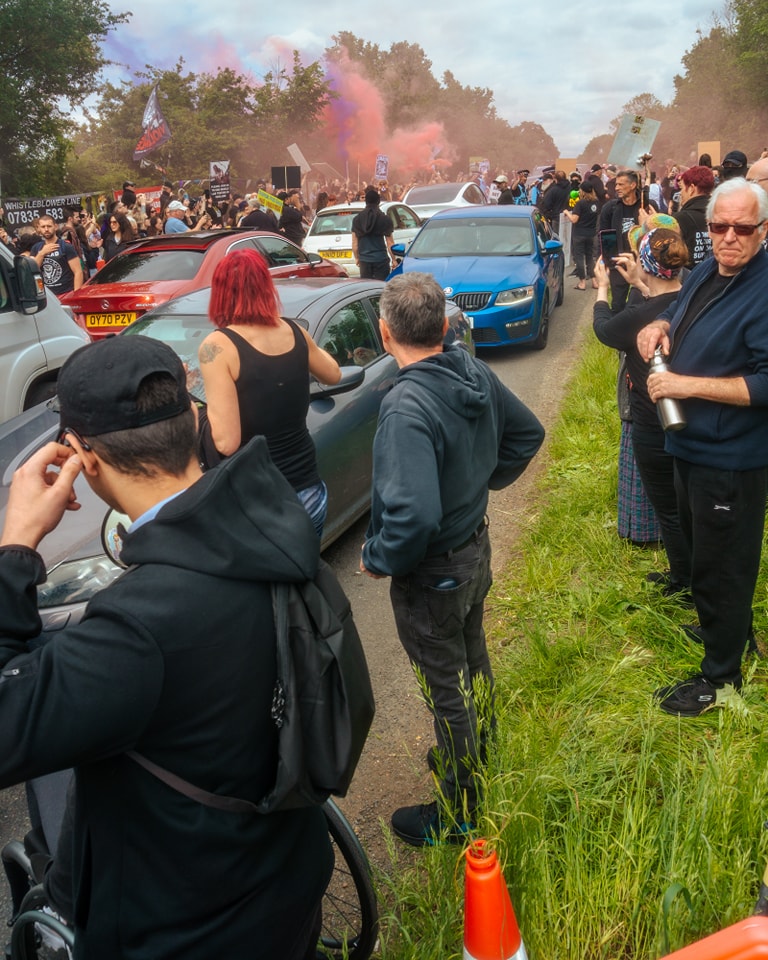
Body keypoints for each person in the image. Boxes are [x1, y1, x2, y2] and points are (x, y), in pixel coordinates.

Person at [0, 335, 333, 959]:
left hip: (188, 930)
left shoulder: (137, 626)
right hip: (288, 886)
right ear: (198, 420)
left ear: (82, 459)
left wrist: (15, 551)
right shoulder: (275, 523)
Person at [359, 272, 544, 846]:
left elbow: (411, 517)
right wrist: (476, 487)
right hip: (474, 550)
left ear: (385, 334)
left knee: (447, 689)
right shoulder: (474, 370)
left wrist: (379, 558)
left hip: (434, 572)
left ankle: (461, 809)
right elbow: (526, 434)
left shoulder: (406, 408)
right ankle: (482, 758)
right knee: (472, 657)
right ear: (444, 326)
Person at [637, 178, 768, 716]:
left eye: (743, 228)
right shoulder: (710, 271)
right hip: (692, 447)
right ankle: (728, 633)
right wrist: (659, 324)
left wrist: (686, 386)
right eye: (719, 226)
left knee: (723, 565)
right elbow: (682, 313)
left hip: (731, 458)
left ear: (763, 230)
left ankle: (722, 682)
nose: (729, 237)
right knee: (708, 558)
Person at [198, 248, 341, 538]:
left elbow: (226, 442)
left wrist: (195, 414)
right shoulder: (294, 331)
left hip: (256, 499)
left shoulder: (217, 346)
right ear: (265, 287)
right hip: (308, 491)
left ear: (221, 291)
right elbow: (334, 374)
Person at [593, 228, 692, 597]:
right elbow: (658, 298)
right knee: (688, 506)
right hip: (692, 418)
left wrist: (602, 288)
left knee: (669, 509)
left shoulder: (641, 316)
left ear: (647, 267)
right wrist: (640, 282)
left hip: (653, 424)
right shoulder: (690, 299)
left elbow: (604, 330)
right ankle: (687, 576)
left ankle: (684, 583)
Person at [599, 169, 642, 312]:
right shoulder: (610, 208)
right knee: (617, 304)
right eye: (616, 184)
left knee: (641, 301)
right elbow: (603, 236)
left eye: (621, 185)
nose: (616, 188)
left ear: (633, 185)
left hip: (641, 263)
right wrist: (607, 262)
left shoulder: (645, 206)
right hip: (618, 263)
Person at [31, 215, 84, 296]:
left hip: (66, 293)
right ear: (39, 228)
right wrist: (42, 253)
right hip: (47, 296)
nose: (46, 229)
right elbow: (32, 270)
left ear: (55, 227)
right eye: (43, 227)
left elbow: (78, 272)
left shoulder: (66, 246)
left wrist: (76, 294)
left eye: (49, 226)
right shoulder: (36, 248)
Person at [673, 165, 715, 266]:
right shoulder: (719, 214)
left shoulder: (680, 219)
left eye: (682, 188)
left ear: (691, 188)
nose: (680, 193)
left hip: (689, 279)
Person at [351, 187, 396, 280]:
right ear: (378, 201)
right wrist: (394, 259)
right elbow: (390, 243)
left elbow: (354, 243)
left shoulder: (357, 219)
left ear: (366, 201)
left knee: (366, 289)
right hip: (381, 260)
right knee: (381, 288)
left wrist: (357, 258)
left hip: (364, 261)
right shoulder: (385, 219)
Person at [564, 180, 599, 290]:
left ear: (582, 191)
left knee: (579, 258)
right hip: (591, 233)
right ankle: (594, 281)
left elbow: (574, 220)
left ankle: (582, 282)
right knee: (589, 257)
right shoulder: (596, 203)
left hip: (579, 234)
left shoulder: (580, 203)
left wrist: (567, 213)